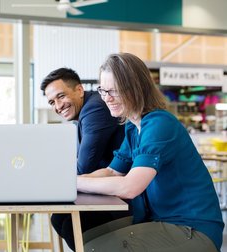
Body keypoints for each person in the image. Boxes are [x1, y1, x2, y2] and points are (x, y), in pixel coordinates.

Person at [77, 52, 224, 251]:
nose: (107, 99)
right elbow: (112, 172)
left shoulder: (159, 124)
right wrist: (71, 182)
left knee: (93, 248)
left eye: (115, 91)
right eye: (103, 91)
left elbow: (130, 187)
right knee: (85, 239)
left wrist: (74, 183)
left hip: (193, 228)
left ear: (137, 89)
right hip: (161, 220)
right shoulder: (132, 127)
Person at [40, 67, 128, 250]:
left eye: (61, 96)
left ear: (79, 90)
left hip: (124, 194)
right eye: (52, 102)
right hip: (106, 185)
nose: (57, 106)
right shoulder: (84, 112)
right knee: (59, 218)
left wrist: (49, 180)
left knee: (71, 225)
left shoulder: (95, 109)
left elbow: (84, 166)